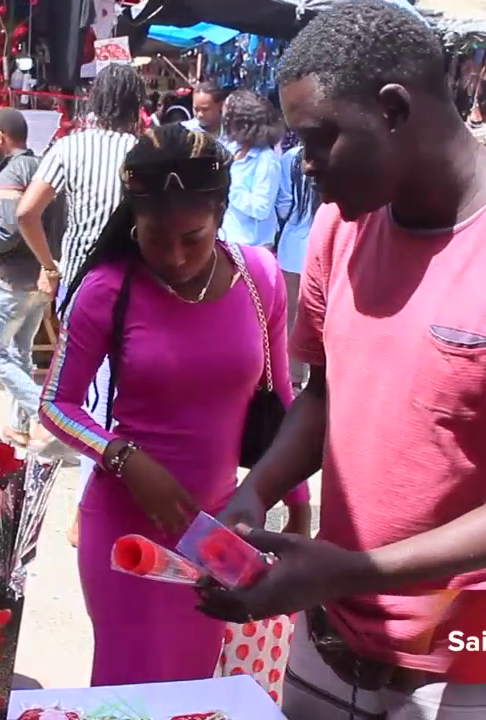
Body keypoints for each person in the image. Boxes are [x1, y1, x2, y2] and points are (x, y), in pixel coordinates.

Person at [197, 3, 486, 718]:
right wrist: (258, 488)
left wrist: (351, 570)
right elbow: (327, 393)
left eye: (319, 140)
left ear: (393, 109)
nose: (306, 165)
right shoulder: (341, 227)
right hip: (333, 628)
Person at [38, 123, 310, 687]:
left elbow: (282, 398)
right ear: (133, 221)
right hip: (127, 534)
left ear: (221, 213)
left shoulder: (259, 279)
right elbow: (57, 406)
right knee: (129, 690)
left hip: (220, 531)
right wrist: (125, 459)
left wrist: (299, 507)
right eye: (155, 237)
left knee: (193, 688)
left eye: (193, 237)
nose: (176, 255)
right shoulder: (107, 290)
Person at [17, 63, 143, 546]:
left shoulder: (69, 148)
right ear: (136, 107)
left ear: (95, 101)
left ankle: (88, 509)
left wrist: (49, 266)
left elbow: (27, 212)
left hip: (79, 287)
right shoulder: (143, 153)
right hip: (134, 286)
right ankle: (92, 508)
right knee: (114, 397)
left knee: (87, 398)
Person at [0, 108, 54, 448]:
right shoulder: (44, 167)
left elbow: (9, 230)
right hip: (41, 277)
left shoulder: (12, 172)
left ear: (0, 136)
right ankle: (18, 427)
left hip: (15, 280)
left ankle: (45, 414)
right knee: (20, 353)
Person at [275, 136, 321, 385]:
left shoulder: (290, 158)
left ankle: (293, 377)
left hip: (293, 244)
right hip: (323, 244)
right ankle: (318, 379)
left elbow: (283, 205)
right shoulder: (335, 155)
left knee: (292, 315)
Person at [220, 90, 284, 247]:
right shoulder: (230, 149)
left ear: (242, 124)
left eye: (227, 118)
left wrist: (227, 186)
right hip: (227, 240)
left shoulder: (266, 160)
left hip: (253, 246)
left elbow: (261, 209)